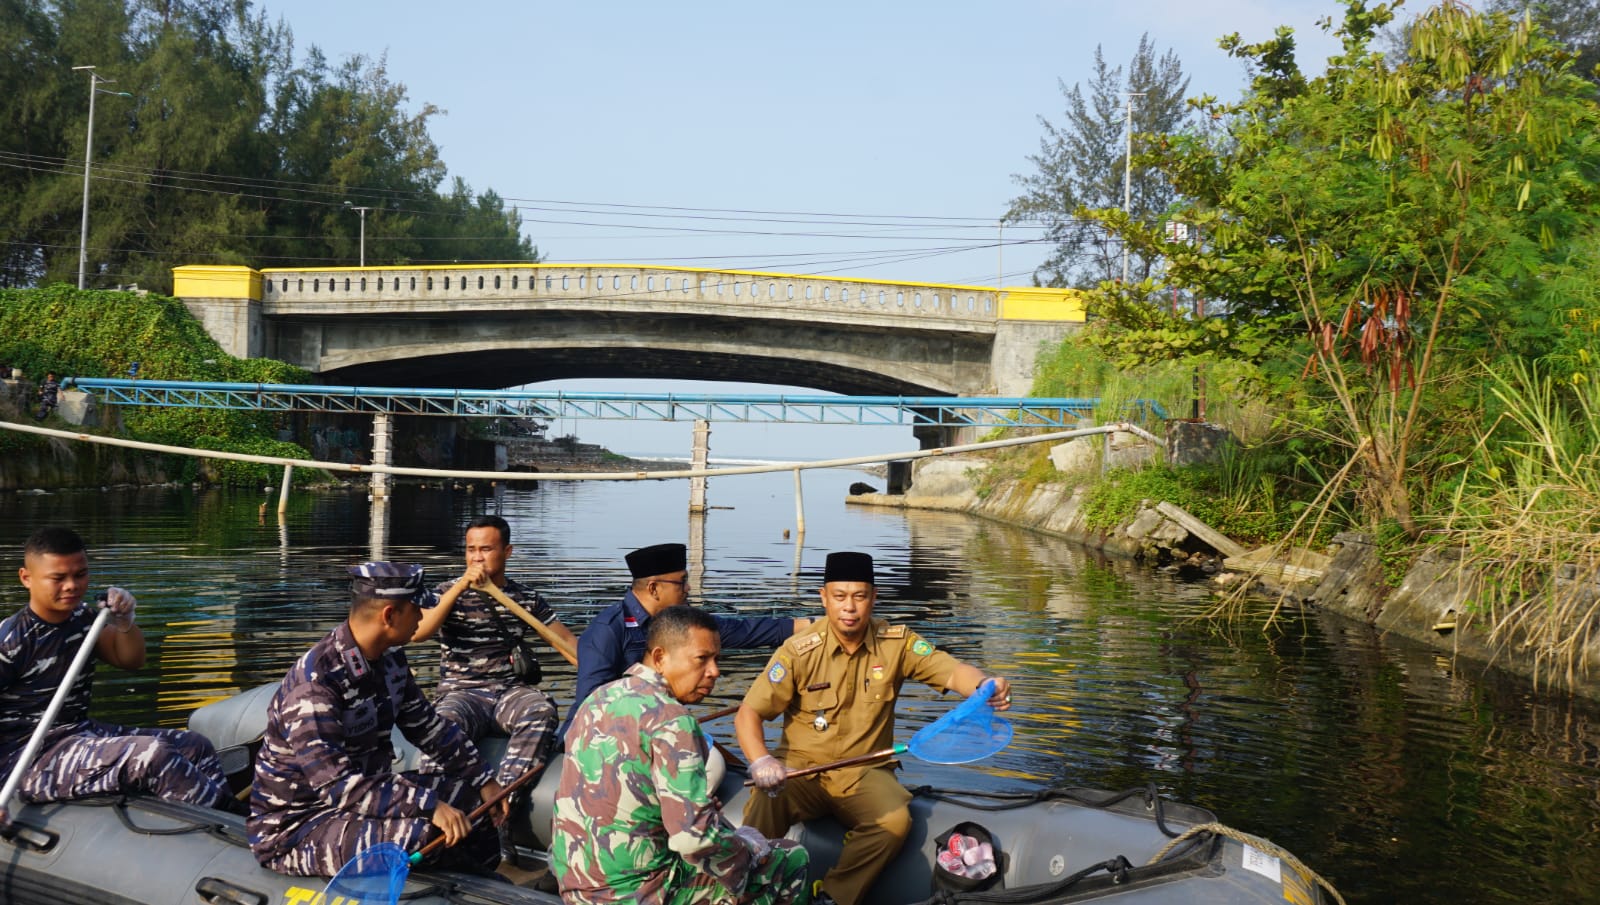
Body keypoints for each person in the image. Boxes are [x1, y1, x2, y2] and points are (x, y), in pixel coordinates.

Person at [735, 552, 1013, 905]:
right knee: (764, 802)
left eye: (859, 596)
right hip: (802, 770)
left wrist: (985, 685)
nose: (849, 607)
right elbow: (749, 714)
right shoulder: (798, 651)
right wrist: (761, 761)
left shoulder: (897, 642)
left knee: (895, 822)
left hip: (865, 770)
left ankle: (833, 897)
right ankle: (739, 891)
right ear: (824, 598)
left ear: (873, 597)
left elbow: (952, 671)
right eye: (839, 597)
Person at [248, 562, 506, 877]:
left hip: (364, 802)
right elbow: (338, 786)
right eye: (416, 610)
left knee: (467, 798)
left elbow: (429, 729)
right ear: (389, 615)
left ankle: (490, 885)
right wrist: (428, 805)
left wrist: (485, 780)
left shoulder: (390, 659)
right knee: (426, 833)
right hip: (299, 826)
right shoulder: (316, 684)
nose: (423, 619)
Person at [553, 605, 809, 905]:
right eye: (702, 659)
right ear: (660, 657)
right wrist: (749, 851)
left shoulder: (598, 698)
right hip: (633, 896)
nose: (715, 671)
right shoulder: (672, 720)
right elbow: (692, 839)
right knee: (790, 858)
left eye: (716, 659)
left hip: (576, 887)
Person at [0, 527, 235, 822]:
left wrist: (124, 621)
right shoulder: (12, 640)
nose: (71, 586)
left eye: (80, 574)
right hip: (26, 760)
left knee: (195, 745)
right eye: (58, 578)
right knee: (151, 754)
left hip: (76, 733)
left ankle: (221, 818)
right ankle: (230, 822)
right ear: (26, 578)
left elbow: (131, 660)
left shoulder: (84, 619)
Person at [566, 542, 807, 728]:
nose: (688, 588)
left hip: (656, 724)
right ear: (654, 588)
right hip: (607, 736)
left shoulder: (684, 622)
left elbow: (743, 631)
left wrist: (814, 625)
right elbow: (591, 703)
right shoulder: (607, 630)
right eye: (681, 582)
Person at [415, 516, 572, 801]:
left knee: (541, 709)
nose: (477, 557)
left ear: (507, 552)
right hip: (462, 693)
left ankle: (503, 802)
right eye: (471, 549)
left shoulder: (526, 599)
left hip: (508, 693)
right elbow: (419, 632)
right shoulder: (443, 593)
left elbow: (567, 644)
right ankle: (434, 805)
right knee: (444, 722)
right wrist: (460, 587)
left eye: (486, 549)